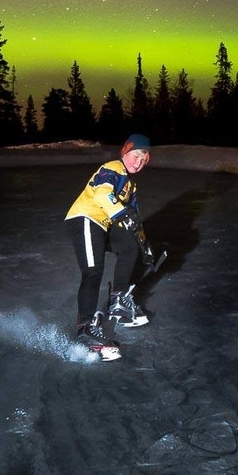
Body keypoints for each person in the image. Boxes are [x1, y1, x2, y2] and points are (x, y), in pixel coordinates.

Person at [64, 134, 156, 359]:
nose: (138, 162)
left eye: (143, 160)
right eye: (135, 156)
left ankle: (118, 301)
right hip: (85, 218)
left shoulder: (130, 185)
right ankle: (84, 329)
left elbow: (133, 219)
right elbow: (103, 194)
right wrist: (124, 214)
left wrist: (145, 246)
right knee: (93, 271)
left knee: (130, 245)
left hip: (103, 224)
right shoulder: (113, 168)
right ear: (125, 152)